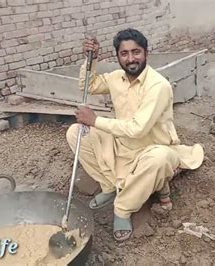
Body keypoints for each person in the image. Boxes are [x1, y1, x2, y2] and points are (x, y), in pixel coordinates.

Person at [66, 28, 204, 242]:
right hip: (122, 145)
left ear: (146, 53)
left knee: (159, 159)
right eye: (124, 53)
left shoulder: (158, 86)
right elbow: (88, 85)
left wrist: (95, 121)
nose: (131, 58)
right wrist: (90, 60)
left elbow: (138, 129)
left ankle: (122, 208)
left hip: (150, 148)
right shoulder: (115, 78)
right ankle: (110, 186)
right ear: (118, 56)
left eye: (136, 52)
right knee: (76, 132)